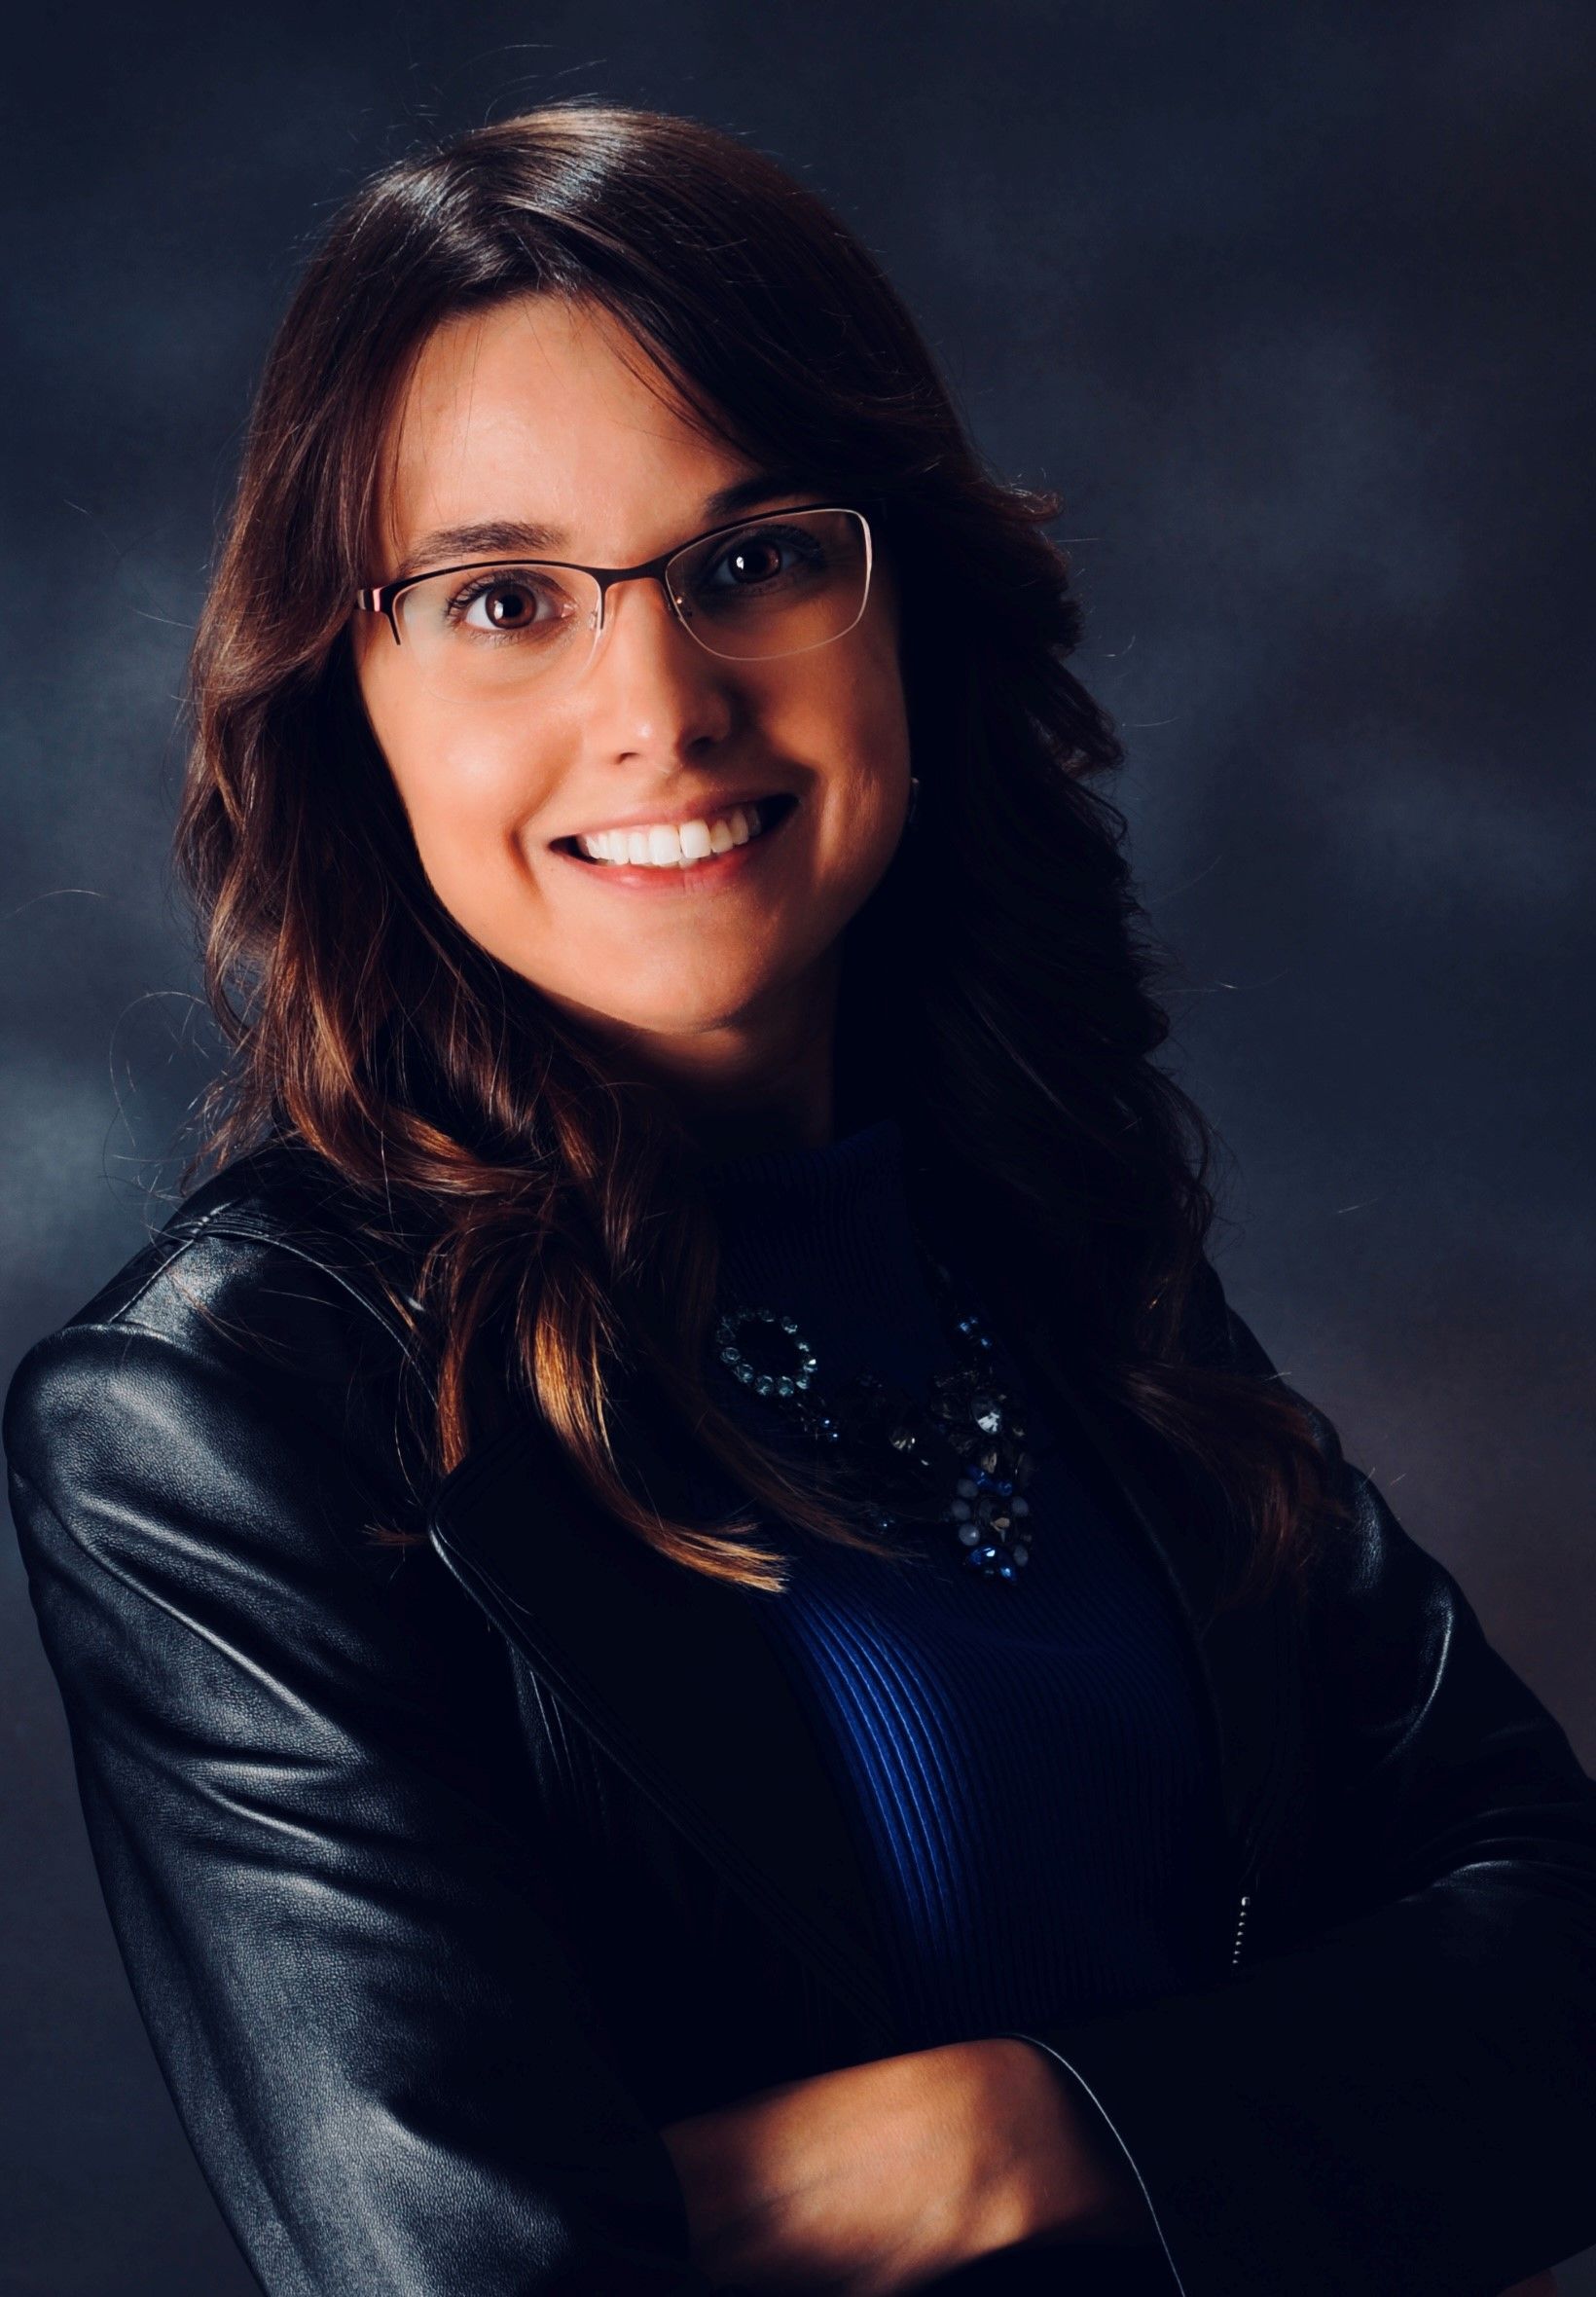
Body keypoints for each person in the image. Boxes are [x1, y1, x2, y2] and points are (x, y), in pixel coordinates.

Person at [4, 98, 1591, 2297]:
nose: (657, 707)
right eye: (500, 599)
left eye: (750, 561)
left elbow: (1561, 1979)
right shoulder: (218, 1427)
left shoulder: (1044, 1234)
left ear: (904, 608)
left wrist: (998, 2133)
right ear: (345, 697)